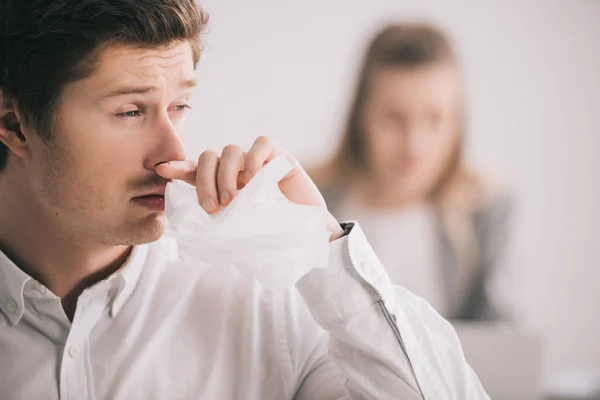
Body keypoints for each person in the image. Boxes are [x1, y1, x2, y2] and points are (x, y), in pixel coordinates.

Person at [0, 1, 488, 398]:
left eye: (180, 106)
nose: (174, 151)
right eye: (130, 111)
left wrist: (321, 247)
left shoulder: (267, 309)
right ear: (14, 124)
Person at [310, 24, 514, 321]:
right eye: (394, 118)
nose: (413, 145)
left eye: (435, 120)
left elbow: (504, 339)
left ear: (458, 122)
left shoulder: (485, 209)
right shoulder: (312, 200)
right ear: (361, 117)